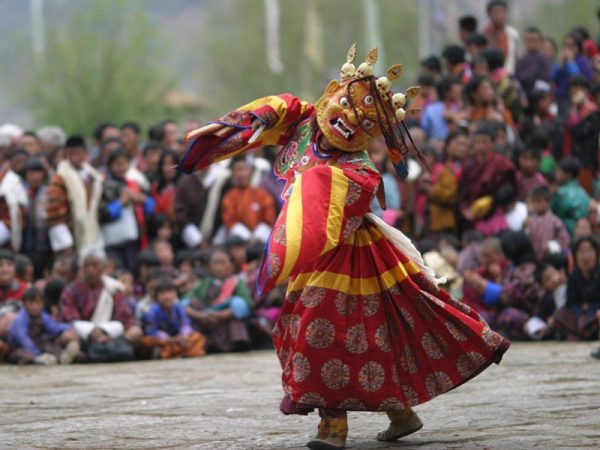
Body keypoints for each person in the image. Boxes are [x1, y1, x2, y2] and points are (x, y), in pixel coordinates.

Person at [177, 45, 509, 449]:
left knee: (327, 334)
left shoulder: (361, 171)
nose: (349, 120)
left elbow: (322, 202)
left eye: (365, 123)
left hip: (352, 257)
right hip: (318, 257)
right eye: (347, 106)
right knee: (358, 335)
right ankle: (399, 414)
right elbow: (279, 112)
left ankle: (333, 428)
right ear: (333, 90)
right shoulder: (305, 124)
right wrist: (242, 127)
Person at [58, 249, 142, 352]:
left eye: (94, 265)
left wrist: (104, 331)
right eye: (87, 266)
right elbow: (69, 318)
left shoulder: (113, 288)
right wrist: (92, 332)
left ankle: (110, 347)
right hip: (85, 333)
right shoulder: (71, 290)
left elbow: (124, 315)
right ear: (81, 268)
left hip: (111, 333)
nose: (90, 269)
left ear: (103, 267)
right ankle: (87, 352)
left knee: (135, 332)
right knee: (67, 336)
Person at [185, 248, 253, 353]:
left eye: (222, 263)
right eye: (215, 263)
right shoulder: (203, 284)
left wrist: (218, 315)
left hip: (224, 320)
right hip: (204, 320)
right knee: (194, 303)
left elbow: (246, 304)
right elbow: (185, 302)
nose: (218, 267)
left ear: (231, 266)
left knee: (237, 305)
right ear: (210, 266)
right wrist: (201, 315)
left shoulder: (237, 283)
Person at [46, 135, 104, 256]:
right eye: (71, 154)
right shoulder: (60, 178)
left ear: (85, 153)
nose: (74, 157)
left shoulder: (93, 176)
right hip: (70, 232)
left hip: (92, 231)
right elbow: (55, 214)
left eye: (78, 153)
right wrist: (66, 243)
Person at [99, 149, 155, 271]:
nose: (122, 167)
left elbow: (150, 206)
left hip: (133, 237)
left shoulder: (133, 183)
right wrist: (121, 201)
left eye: (125, 163)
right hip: (113, 241)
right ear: (110, 166)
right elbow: (103, 214)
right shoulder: (104, 186)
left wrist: (141, 199)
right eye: (118, 164)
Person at [458, 124, 515, 230]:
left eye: (484, 142)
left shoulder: (501, 163)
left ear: (492, 143)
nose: (481, 146)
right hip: (472, 214)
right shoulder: (469, 166)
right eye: (478, 142)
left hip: (496, 213)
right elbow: (462, 193)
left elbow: (510, 190)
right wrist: (464, 209)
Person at [7, 288, 80, 365]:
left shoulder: (43, 316)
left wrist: (69, 327)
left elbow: (53, 327)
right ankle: (39, 360)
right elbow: (23, 339)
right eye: (31, 302)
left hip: (40, 344)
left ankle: (61, 357)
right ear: (24, 304)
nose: (34, 306)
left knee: (51, 345)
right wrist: (38, 354)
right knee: (22, 354)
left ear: (43, 304)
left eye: (38, 302)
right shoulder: (20, 319)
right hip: (21, 348)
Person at [140, 278, 206, 359]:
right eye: (163, 293)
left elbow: (185, 324)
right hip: (165, 340)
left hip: (178, 339)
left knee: (198, 337)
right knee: (147, 341)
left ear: (175, 294)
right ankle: (181, 352)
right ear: (157, 296)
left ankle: (176, 353)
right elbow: (151, 331)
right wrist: (172, 339)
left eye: (170, 292)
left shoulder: (178, 308)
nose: (167, 296)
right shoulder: (152, 310)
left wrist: (184, 336)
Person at [553, 237, 600, 340]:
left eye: (589, 251)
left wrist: (589, 309)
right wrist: (582, 311)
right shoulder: (573, 276)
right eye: (582, 252)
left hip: (595, 316)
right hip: (579, 317)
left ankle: (579, 334)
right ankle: (581, 333)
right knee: (559, 315)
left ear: (596, 255)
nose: (586, 256)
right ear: (575, 256)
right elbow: (570, 303)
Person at [220, 156, 275, 243]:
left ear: (250, 171)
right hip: (239, 241)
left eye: (244, 169)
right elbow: (229, 221)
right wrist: (247, 237)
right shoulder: (229, 197)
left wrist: (257, 236)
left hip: (260, 240)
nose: (242, 174)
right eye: (238, 170)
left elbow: (269, 218)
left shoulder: (262, 194)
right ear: (232, 174)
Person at [525, 185, 570, 261]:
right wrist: (524, 227)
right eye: (534, 202)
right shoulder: (530, 220)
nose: (535, 205)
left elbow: (565, 241)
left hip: (551, 258)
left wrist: (552, 246)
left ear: (547, 202)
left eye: (538, 201)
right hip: (533, 258)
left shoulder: (555, 221)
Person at [551, 157, 591, 236]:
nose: (556, 175)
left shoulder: (560, 193)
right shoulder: (584, 193)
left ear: (568, 175)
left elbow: (554, 215)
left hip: (566, 233)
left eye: (559, 172)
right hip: (583, 234)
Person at [420, 75, 463, 142]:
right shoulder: (431, 110)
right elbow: (424, 131)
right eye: (456, 92)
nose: (459, 94)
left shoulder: (460, 108)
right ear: (446, 92)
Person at [482, 0, 520, 75]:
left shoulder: (513, 34)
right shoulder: (484, 35)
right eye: (496, 13)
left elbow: (515, 57)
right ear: (489, 14)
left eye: (503, 13)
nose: (500, 16)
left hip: (509, 74)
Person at [515, 27, 553, 95]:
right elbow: (517, 79)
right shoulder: (521, 60)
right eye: (528, 40)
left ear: (540, 42)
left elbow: (547, 82)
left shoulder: (544, 59)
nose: (531, 43)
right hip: (523, 94)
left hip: (539, 94)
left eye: (534, 40)